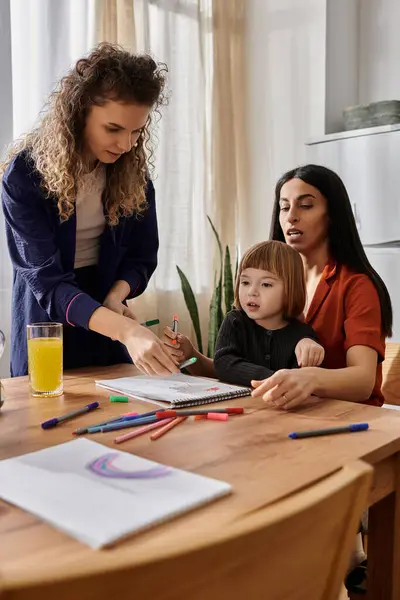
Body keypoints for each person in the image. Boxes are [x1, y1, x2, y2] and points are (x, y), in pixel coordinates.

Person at [1, 43, 178, 377]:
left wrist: (116, 296)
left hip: (106, 321)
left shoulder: (133, 175)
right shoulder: (24, 176)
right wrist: (125, 329)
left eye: (136, 132)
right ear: (79, 112)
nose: (126, 145)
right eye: (113, 129)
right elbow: (48, 282)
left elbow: (141, 257)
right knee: (48, 417)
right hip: (49, 323)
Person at [251, 164, 392, 409]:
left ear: (332, 215)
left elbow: (362, 381)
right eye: (284, 207)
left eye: (305, 206)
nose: (291, 216)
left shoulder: (357, 285)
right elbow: (245, 361)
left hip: (351, 422)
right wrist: (193, 358)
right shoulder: (271, 283)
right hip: (286, 415)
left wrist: (310, 379)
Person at [164, 240, 324, 384]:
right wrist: (272, 378)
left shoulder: (303, 335)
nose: (252, 291)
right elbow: (224, 363)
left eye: (266, 284)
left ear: (291, 291)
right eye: (245, 282)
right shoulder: (235, 321)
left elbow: (300, 381)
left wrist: (310, 349)